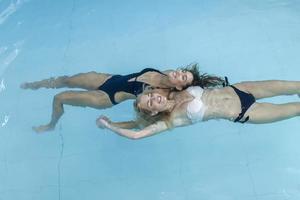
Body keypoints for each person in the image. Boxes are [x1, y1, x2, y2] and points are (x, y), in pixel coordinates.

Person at [21, 63, 226, 133]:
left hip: (106, 96)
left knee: (59, 98)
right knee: (66, 79)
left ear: (180, 86)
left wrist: (112, 124)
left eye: (182, 77)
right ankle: (34, 85)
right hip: (110, 79)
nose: (179, 72)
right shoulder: (167, 73)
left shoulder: (161, 96)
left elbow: (140, 122)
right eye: (182, 71)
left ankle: (50, 125)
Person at [97, 80, 300, 140]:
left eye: (149, 95)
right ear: (152, 112)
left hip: (242, 88)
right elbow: (137, 133)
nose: (153, 98)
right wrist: (109, 126)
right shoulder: (172, 120)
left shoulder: (174, 90)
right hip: (246, 111)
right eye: (149, 103)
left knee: (296, 85)